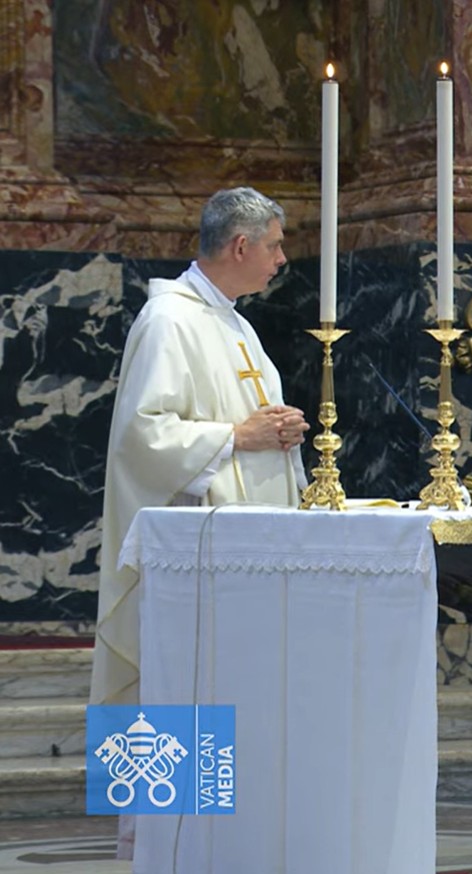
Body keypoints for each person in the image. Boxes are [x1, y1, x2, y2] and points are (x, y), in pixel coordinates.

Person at [92, 187, 309, 711]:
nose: (281, 260)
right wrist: (238, 436)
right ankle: (174, 796)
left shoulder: (233, 322)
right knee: (188, 689)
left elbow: (249, 419)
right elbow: (143, 434)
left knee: (231, 689)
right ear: (240, 246)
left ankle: (229, 793)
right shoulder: (170, 320)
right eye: (274, 246)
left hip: (246, 546)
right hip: (197, 551)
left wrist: (283, 430)